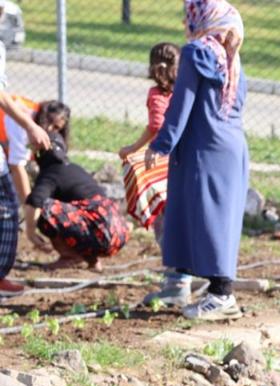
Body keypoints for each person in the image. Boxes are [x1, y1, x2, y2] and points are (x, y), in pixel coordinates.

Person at [145, 0, 250, 320]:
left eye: (187, 15)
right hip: (227, 148)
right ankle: (178, 281)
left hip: (205, 149)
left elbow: (181, 103)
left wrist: (161, 144)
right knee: (189, 213)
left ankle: (221, 295)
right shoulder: (230, 56)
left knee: (208, 218)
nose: (184, 22)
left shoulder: (195, 52)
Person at [27, 131, 129, 271]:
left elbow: (36, 200)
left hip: (99, 230)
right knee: (72, 214)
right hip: (118, 233)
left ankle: (70, 257)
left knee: (45, 209)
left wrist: (30, 232)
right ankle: (92, 261)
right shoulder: (75, 168)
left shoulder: (51, 173)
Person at [118, 42, 179, 241]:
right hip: (186, 156)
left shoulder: (156, 94)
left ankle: (169, 254)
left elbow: (156, 126)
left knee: (164, 209)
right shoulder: (185, 91)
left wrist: (133, 148)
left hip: (164, 162)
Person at [0, 91, 50, 296]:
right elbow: (17, 166)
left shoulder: (30, 110)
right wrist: (30, 220)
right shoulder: (24, 121)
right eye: (52, 127)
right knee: (7, 211)